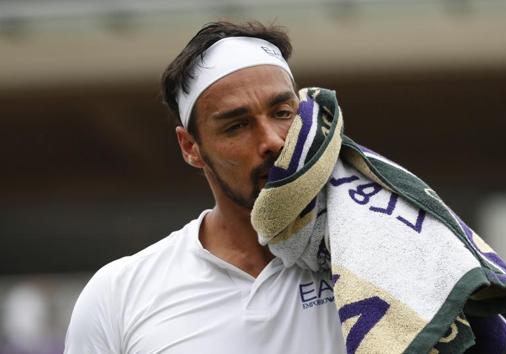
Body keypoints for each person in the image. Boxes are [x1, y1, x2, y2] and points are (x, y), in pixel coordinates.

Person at [64, 21, 346, 353]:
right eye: (236, 126)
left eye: (283, 113)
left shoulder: (373, 250)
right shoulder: (119, 294)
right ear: (190, 147)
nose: (272, 140)